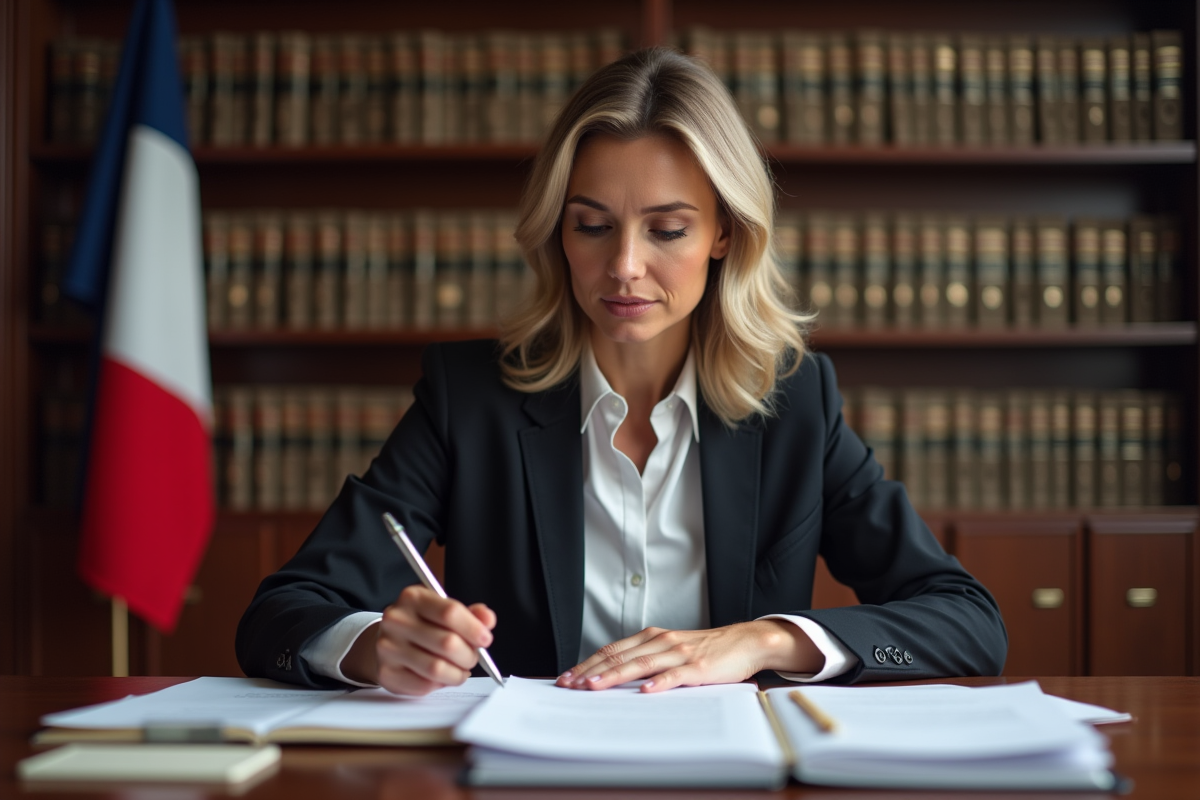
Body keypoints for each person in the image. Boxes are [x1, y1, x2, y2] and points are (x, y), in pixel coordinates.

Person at [236, 47, 1006, 695]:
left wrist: (763, 641)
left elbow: (968, 621)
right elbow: (282, 613)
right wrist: (376, 646)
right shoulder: (469, 399)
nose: (625, 267)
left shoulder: (796, 403)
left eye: (666, 228)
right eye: (593, 226)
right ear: (557, 234)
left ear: (725, 236)